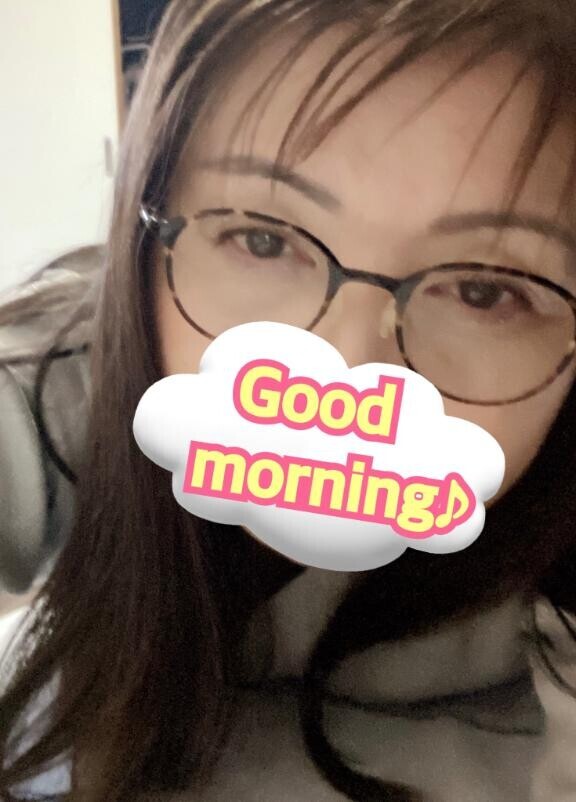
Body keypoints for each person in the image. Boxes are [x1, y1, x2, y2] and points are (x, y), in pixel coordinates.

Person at [2, 0, 576, 799]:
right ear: (147, 233)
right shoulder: (71, 385)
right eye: (264, 239)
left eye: (484, 290)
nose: (344, 369)